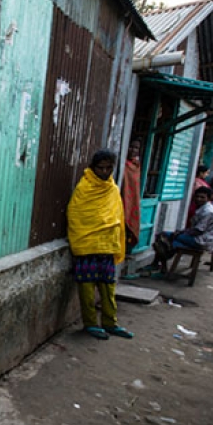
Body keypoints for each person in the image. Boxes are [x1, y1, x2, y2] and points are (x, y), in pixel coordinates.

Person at [67, 149, 134, 341]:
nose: (104, 172)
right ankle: (90, 323)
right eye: (100, 168)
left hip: (107, 245)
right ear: (93, 168)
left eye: (108, 168)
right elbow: (76, 216)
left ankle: (110, 323)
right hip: (87, 245)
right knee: (87, 289)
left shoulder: (113, 189)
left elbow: (117, 216)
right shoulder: (84, 188)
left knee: (108, 288)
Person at [151, 186, 213, 273]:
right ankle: (161, 265)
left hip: (202, 241)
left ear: (208, 198)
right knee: (163, 242)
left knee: (162, 237)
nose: (198, 199)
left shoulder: (209, 211)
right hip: (203, 238)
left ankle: (160, 265)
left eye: (202, 197)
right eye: (197, 196)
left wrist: (179, 233)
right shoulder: (203, 208)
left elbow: (198, 230)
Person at [122, 138, 143, 253]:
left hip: (131, 199)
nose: (133, 150)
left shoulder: (136, 165)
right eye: (131, 147)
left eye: (136, 148)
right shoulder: (122, 164)